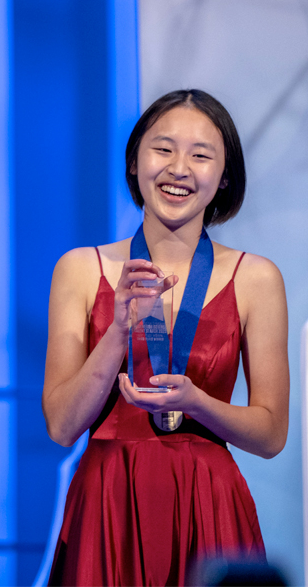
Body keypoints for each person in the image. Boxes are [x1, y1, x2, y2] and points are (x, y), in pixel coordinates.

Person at [42, 90, 289, 585]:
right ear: (135, 162)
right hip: (109, 499)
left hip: (210, 502)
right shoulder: (80, 268)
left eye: (200, 155)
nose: (178, 168)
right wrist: (118, 332)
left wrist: (197, 402)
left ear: (223, 178)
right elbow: (62, 426)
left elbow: (270, 434)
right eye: (163, 149)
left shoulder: (257, 277)